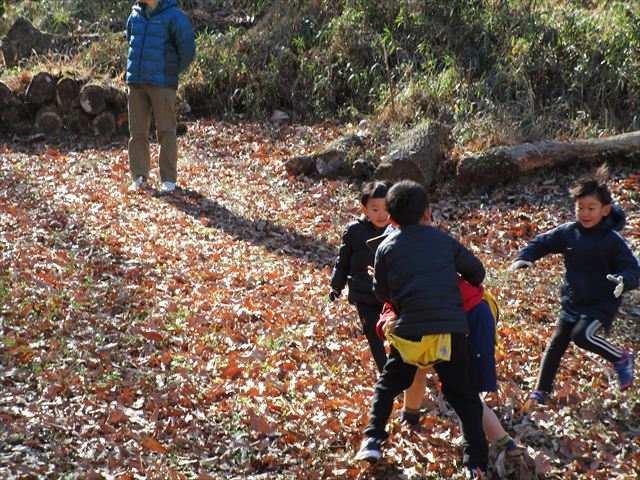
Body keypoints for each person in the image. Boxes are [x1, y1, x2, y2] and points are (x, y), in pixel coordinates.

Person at [355, 180, 489, 479]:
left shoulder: (386, 247)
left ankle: (373, 438)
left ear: (390, 218)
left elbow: (381, 292)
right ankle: (476, 463)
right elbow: (477, 271)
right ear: (428, 213)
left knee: (388, 384)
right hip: (451, 333)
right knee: (464, 398)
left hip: (410, 331)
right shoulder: (443, 241)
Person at [508, 165, 639, 407]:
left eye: (591, 209)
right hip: (573, 300)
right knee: (556, 343)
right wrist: (524, 258)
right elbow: (542, 242)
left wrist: (624, 280)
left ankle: (621, 358)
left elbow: (633, 269)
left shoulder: (612, 241)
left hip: (601, 303)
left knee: (582, 335)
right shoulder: (570, 233)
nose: (585, 214)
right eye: (580, 208)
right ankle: (541, 390)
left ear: (605, 210)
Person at [125, 0, 196, 194]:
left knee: (166, 131)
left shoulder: (174, 16)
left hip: (162, 83)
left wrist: (171, 70)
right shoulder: (135, 14)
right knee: (137, 132)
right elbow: (130, 38)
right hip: (136, 82)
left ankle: (168, 180)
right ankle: (139, 177)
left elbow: (188, 49)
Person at [329, 181, 392, 373]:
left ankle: (401, 371)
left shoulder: (396, 231)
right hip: (363, 292)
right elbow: (343, 262)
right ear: (363, 208)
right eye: (375, 209)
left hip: (391, 294)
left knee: (396, 333)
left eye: (386, 209)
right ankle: (385, 373)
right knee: (373, 334)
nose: (381, 215)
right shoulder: (354, 231)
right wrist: (335, 286)